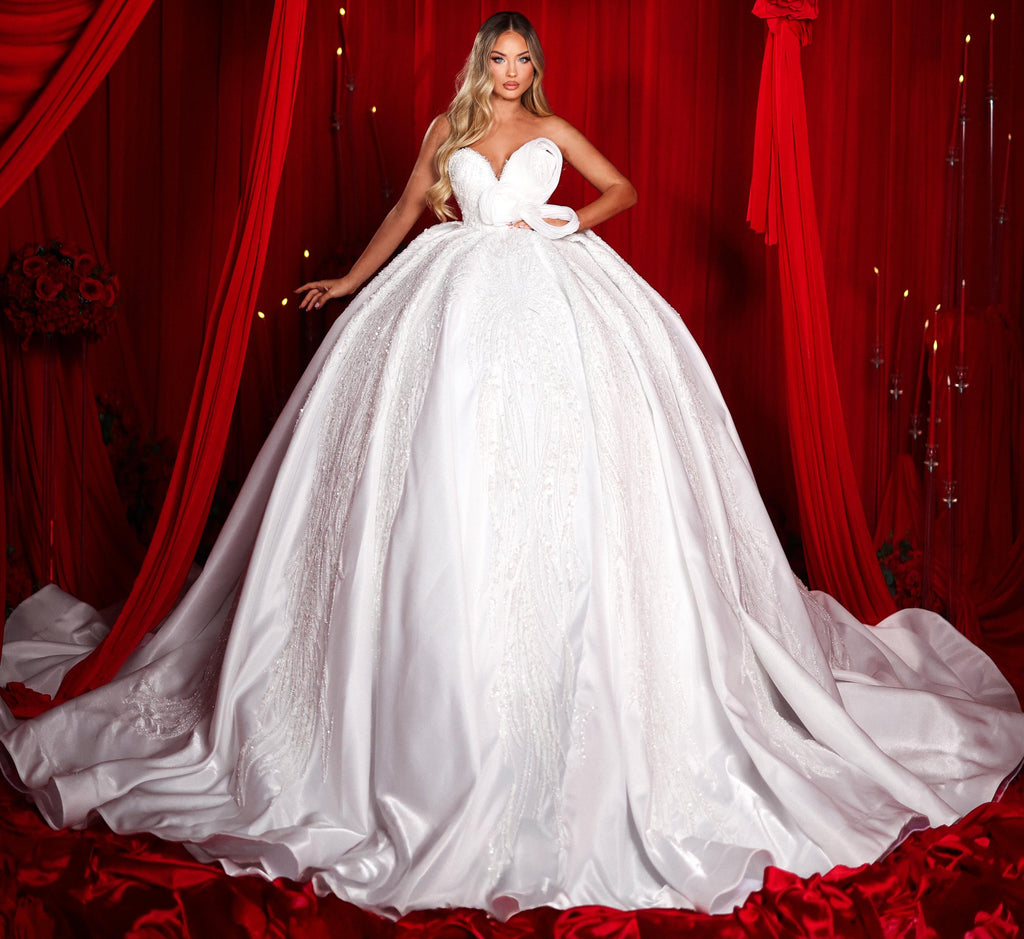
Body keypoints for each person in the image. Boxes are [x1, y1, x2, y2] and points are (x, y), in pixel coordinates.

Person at [1, 10, 1022, 920]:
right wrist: (349, 280)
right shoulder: (446, 135)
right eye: (498, 58)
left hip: (552, 292)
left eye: (522, 59)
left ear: (535, 68)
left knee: (566, 473)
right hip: (449, 298)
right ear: (478, 65)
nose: (510, 72)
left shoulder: (551, 130)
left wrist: (570, 219)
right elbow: (405, 212)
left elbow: (622, 187)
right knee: (435, 471)